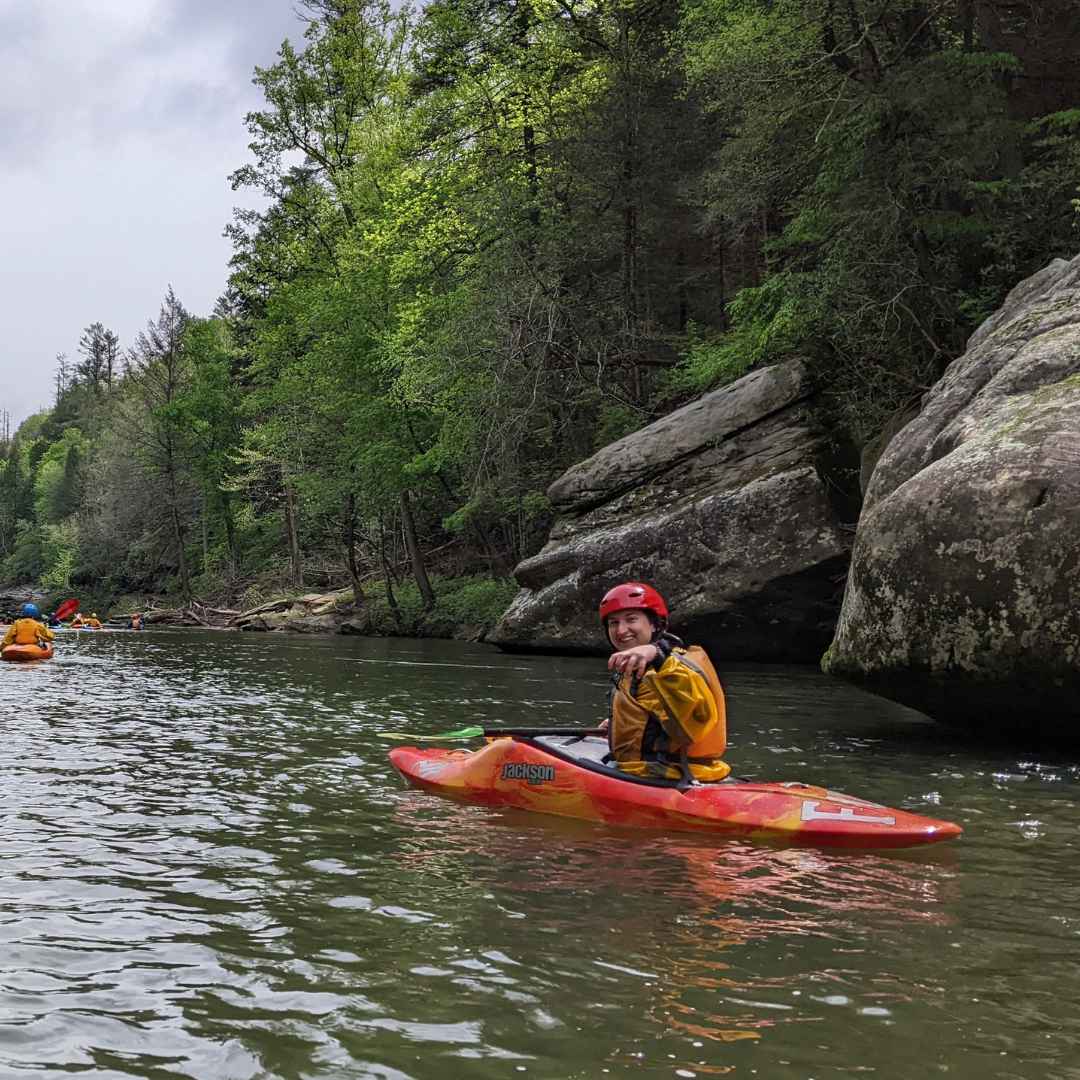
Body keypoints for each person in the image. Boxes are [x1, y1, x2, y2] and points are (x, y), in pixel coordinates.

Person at [601, 582, 730, 783]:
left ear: (654, 624)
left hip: (670, 777)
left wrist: (657, 654)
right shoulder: (634, 667)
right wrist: (620, 725)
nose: (621, 630)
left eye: (631, 619)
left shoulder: (674, 666)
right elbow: (655, 712)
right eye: (613, 623)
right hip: (641, 771)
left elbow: (695, 715)